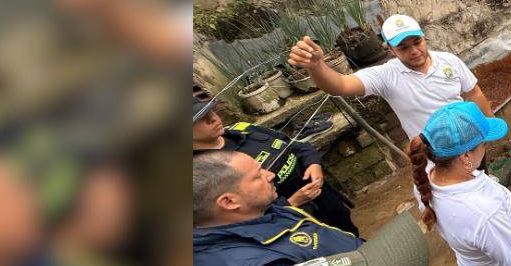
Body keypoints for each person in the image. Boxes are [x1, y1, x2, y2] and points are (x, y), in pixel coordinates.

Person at [288, 14, 494, 140]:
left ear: (424, 37)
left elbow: (474, 93)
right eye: (403, 47)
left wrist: (490, 125)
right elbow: (340, 85)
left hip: (468, 137)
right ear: (391, 50)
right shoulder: (387, 76)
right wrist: (316, 66)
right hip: (435, 154)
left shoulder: (448, 60)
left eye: (417, 42)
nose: (413, 51)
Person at [192, 94, 359, 236]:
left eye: (210, 110)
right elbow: (229, 220)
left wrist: (313, 163)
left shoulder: (243, 129)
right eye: (201, 118)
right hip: (294, 225)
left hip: (324, 198)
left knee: (351, 237)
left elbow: (294, 144)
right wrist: (290, 203)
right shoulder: (201, 174)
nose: (213, 118)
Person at [407, 101, 511, 266]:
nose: (485, 148)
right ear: (465, 157)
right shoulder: (485, 215)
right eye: (484, 144)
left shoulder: (424, 177)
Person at [192, 149, 362, 266]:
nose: (271, 175)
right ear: (229, 202)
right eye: (258, 175)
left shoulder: (258, 212)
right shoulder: (251, 261)